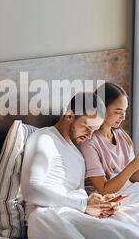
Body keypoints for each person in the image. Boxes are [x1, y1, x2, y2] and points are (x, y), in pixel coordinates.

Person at [21, 92, 120, 223]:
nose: (89, 136)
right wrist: (82, 204)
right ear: (70, 115)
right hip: (46, 216)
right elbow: (30, 191)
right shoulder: (45, 138)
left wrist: (98, 205)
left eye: (94, 130)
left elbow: (79, 198)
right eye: (87, 127)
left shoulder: (78, 156)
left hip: (71, 214)